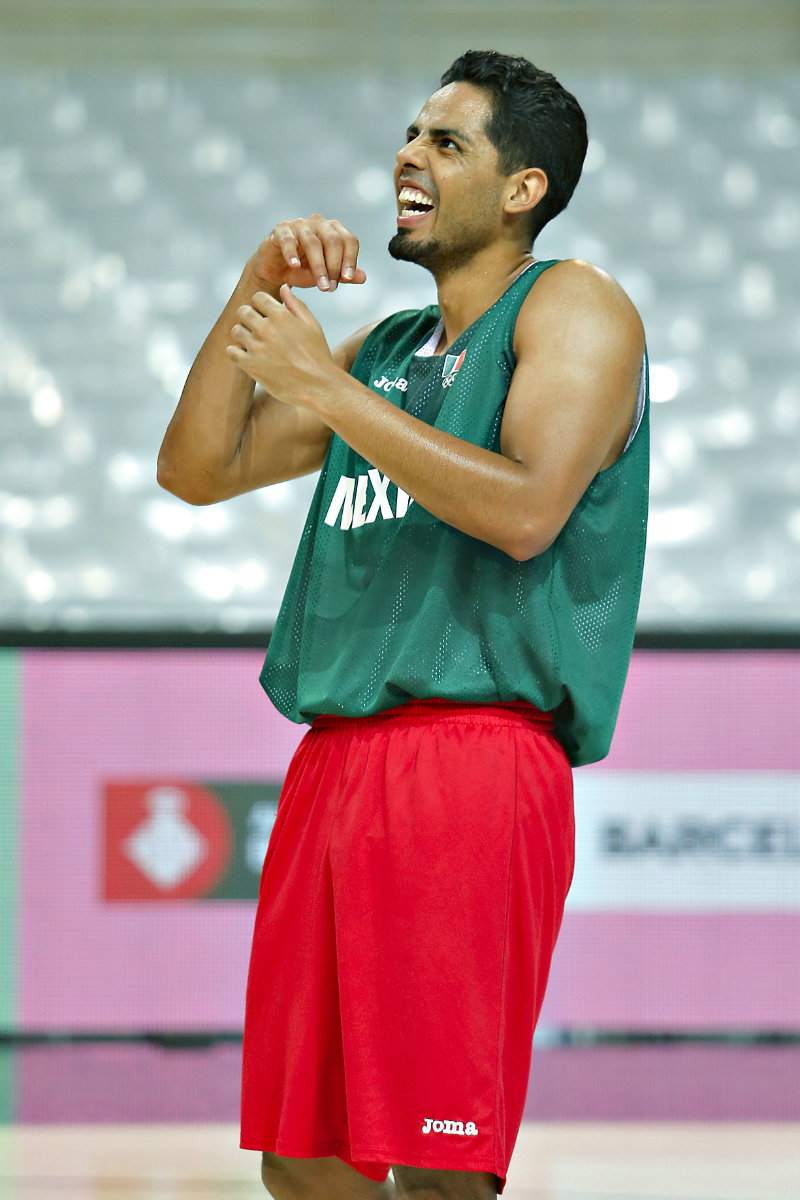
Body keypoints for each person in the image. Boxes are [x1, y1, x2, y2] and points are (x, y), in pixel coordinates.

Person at [158, 49, 648, 1200]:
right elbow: (195, 467)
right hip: (336, 762)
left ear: (519, 189)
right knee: (304, 1159)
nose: (407, 157)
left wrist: (323, 396)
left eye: (446, 142)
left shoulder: (573, 305)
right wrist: (255, 285)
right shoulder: (383, 352)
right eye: (410, 135)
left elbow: (527, 508)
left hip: (472, 759)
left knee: (436, 1160)